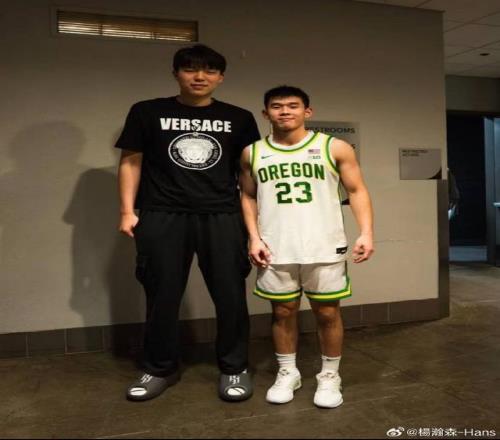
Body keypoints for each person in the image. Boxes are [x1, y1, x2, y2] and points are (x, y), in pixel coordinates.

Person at [115, 44, 260, 402]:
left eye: (209, 70)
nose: (199, 77)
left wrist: (255, 224)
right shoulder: (147, 111)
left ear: (220, 77)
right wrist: (127, 211)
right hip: (162, 213)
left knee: (230, 295)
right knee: (161, 295)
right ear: (176, 73)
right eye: (191, 69)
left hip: (222, 215)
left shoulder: (239, 118)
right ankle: (158, 368)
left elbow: (248, 173)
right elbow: (131, 161)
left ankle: (234, 367)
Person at [239, 85, 374, 408]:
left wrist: (366, 232)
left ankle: (329, 376)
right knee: (282, 311)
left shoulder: (334, 147)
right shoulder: (252, 152)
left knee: (327, 312)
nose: (285, 111)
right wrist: (254, 236)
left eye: (293, 105)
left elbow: (356, 190)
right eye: (277, 106)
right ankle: (288, 372)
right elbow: (248, 195)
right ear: (265, 113)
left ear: (307, 111)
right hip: (275, 246)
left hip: (324, 245)